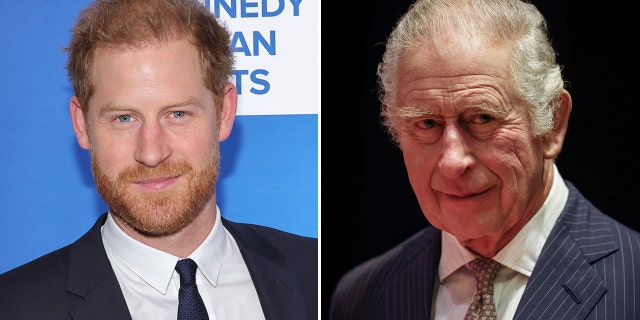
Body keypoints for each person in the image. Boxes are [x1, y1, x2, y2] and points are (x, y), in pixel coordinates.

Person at [0, 0, 317, 319]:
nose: (151, 153)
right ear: (82, 124)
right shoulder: (13, 306)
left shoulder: (316, 272)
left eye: (177, 114)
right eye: (124, 118)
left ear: (223, 112)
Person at [330, 0, 640, 319]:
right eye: (427, 123)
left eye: (482, 118)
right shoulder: (360, 298)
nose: (452, 161)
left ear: (552, 123)